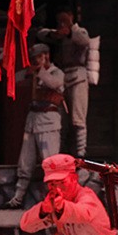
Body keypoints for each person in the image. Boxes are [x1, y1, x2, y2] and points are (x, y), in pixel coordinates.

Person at [3, 43, 65, 209]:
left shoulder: (56, 72)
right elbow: (13, 80)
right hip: (32, 121)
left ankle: (55, 200)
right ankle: (17, 198)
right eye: (34, 58)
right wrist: (28, 73)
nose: (36, 60)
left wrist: (40, 71)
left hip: (48, 121)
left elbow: (54, 83)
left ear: (46, 56)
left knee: (50, 163)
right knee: (25, 162)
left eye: (39, 57)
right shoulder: (33, 73)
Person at [36, 8, 91, 158]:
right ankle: (61, 151)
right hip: (63, 76)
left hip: (78, 76)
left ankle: (81, 154)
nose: (62, 22)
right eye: (60, 20)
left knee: (78, 118)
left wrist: (70, 28)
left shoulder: (79, 32)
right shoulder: (60, 34)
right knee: (62, 119)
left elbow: (84, 40)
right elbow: (41, 34)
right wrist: (56, 34)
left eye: (64, 19)